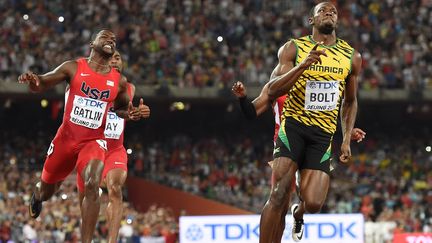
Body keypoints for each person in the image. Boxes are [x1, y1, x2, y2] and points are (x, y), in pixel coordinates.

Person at [18, 30, 141, 243]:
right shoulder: (73, 67)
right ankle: (38, 195)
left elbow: (120, 109)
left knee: (93, 183)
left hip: (93, 142)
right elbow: (43, 83)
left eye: (113, 39)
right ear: (92, 43)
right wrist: (33, 80)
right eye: (105, 37)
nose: (110, 40)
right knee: (48, 189)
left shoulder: (118, 81)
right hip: (65, 139)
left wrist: (128, 113)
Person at [259, 1, 363, 242]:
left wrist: (346, 138)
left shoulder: (351, 56)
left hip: (322, 135)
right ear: (312, 20)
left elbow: (350, 101)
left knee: (314, 203)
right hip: (293, 128)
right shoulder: (294, 48)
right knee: (278, 194)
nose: (329, 13)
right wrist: (303, 66)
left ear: (337, 21)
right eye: (322, 11)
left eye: (333, 11)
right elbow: (272, 89)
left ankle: (299, 212)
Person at [232, 81, 365, 242]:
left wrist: (347, 132)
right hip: (286, 144)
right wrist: (243, 98)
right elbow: (252, 112)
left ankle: (298, 213)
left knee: (311, 202)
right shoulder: (277, 83)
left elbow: (322, 120)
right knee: (279, 199)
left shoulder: (315, 80)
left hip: (312, 146)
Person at [78, 50, 150, 243]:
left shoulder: (128, 87)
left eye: (118, 57)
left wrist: (135, 112)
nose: (115, 61)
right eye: (111, 58)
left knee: (115, 188)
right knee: (87, 196)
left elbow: (122, 111)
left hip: (114, 149)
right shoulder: (90, 83)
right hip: (91, 148)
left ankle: (112, 241)